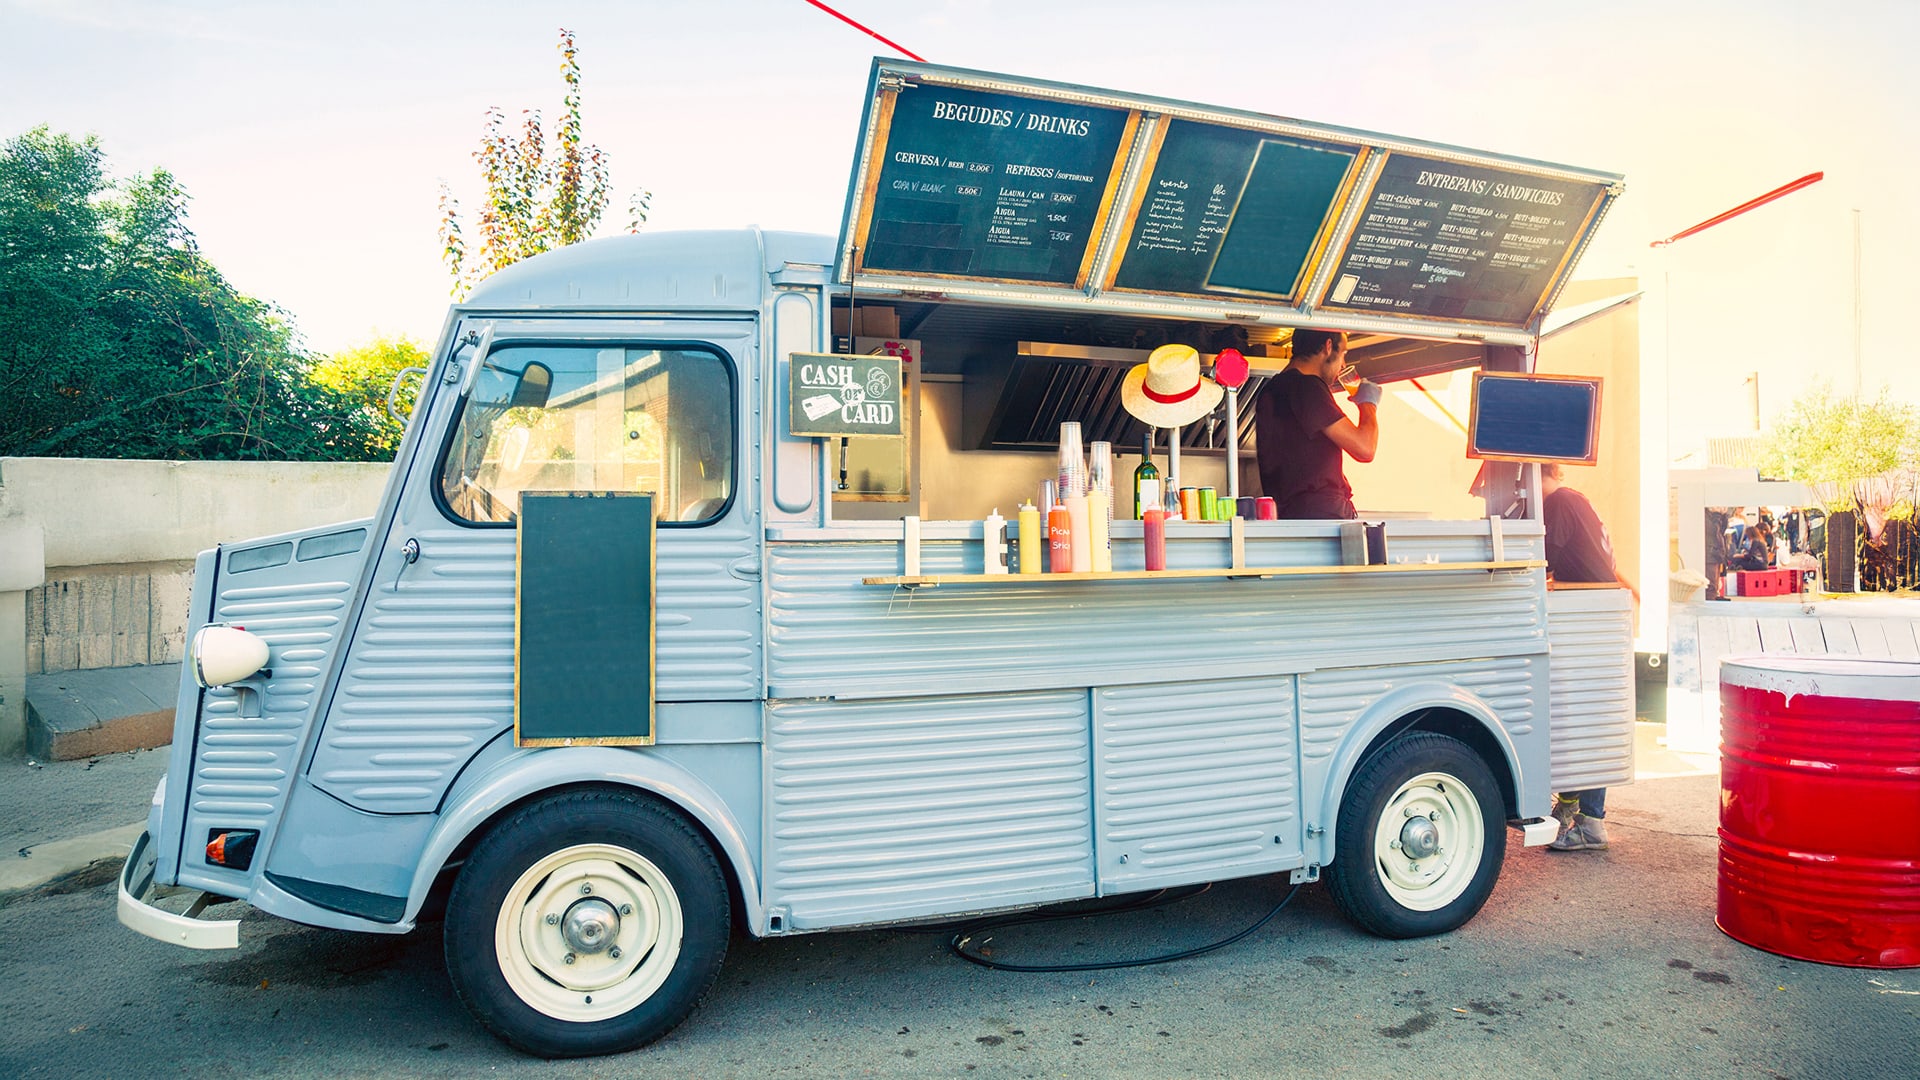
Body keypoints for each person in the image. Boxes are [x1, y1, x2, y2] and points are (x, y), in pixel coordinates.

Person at [1537, 461, 1637, 852]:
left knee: (1584, 715)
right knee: (1584, 714)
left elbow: (1539, 560)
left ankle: (1591, 823)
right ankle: (1572, 807)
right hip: (1601, 610)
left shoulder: (1558, 502)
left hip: (1588, 613)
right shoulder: (1576, 499)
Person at [1253, 328, 1381, 519]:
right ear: (1328, 347)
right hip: (1321, 513)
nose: (1343, 364)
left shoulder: (1272, 389)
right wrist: (1367, 404)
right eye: (1344, 354)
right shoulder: (1307, 386)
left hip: (1287, 515)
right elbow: (1364, 448)